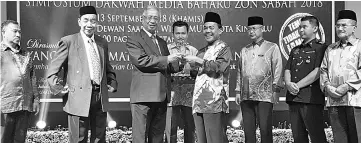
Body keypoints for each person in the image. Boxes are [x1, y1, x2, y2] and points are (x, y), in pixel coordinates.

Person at [46, 6, 118, 143]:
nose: (89, 25)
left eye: (93, 21)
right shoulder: (69, 42)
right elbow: (52, 72)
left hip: (100, 97)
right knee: (78, 139)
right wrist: (59, 88)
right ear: (79, 21)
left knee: (99, 138)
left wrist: (112, 82)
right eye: (86, 20)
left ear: (96, 23)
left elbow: (108, 68)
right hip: (78, 98)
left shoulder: (102, 42)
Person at [126, 5, 182, 143]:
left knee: (157, 138)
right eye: (149, 17)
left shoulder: (162, 42)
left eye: (155, 18)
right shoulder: (134, 38)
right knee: (140, 137)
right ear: (143, 19)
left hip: (161, 97)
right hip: (143, 98)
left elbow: (168, 66)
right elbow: (141, 60)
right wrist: (168, 59)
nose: (152, 21)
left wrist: (182, 61)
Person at [184, 12, 231, 143]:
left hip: (214, 102)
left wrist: (198, 61)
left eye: (211, 27)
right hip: (198, 102)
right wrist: (188, 66)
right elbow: (196, 74)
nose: (207, 31)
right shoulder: (201, 51)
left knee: (215, 139)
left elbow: (219, 68)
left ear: (220, 30)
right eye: (205, 28)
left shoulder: (224, 49)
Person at [235, 16, 283, 143]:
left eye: (254, 28)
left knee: (265, 129)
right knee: (248, 131)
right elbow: (240, 71)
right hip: (246, 95)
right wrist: (237, 91)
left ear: (262, 29)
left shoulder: (272, 47)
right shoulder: (244, 50)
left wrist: (276, 90)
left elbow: (277, 69)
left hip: (265, 95)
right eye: (249, 29)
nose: (251, 31)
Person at [284, 15, 328, 143]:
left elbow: (318, 71)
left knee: (317, 136)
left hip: (311, 99)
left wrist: (297, 85)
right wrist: (288, 83)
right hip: (294, 98)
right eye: (299, 27)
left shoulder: (321, 48)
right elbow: (287, 69)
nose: (300, 30)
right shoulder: (295, 49)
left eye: (304, 27)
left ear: (315, 28)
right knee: (298, 137)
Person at [320, 10, 361, 143]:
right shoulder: (330, 49)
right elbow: (323, 70)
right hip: (334, 101)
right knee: (340, 139)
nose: (340, 28)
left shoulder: (360, 46)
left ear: (354, 27)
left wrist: (347, 86)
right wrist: (327, 87)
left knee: (357, 138)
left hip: (355, 101)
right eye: (337, 25)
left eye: (344, 25)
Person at [0, 20, 40, 143]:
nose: (18, 35)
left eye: (19, 32)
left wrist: (36, 99)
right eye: (14, 31)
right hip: (5, 106)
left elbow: (32, 77)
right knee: (4, 140)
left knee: (19, 140)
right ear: (3, 33)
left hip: (25, 105)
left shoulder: (26, 54)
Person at [164, 21, 198, 143]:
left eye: (183, 33)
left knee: (190, 128)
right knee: (171, 129)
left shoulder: (194, 51)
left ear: (187, 34)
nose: (180, 36)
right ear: (172, 34)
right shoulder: (166, 50)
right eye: (177, 33)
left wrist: (191, 67)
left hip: (189, 95)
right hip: (171, 95)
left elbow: (198, 72)